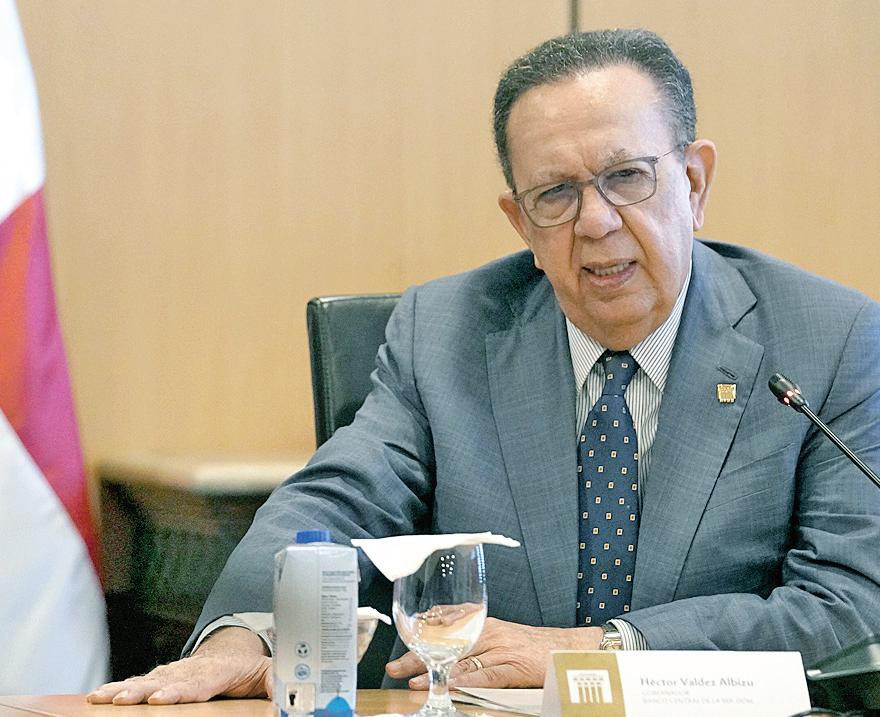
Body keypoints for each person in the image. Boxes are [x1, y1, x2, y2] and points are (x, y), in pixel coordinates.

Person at [89, 28, 880, 706]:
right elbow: (335, 502)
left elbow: (850, 604)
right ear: (520, 221)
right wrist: (242, 639)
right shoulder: (446, 333)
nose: (596, 221)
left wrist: (593, 650)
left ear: (695, 182)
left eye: (626, 177)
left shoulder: (829, 340)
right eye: (555, 193)